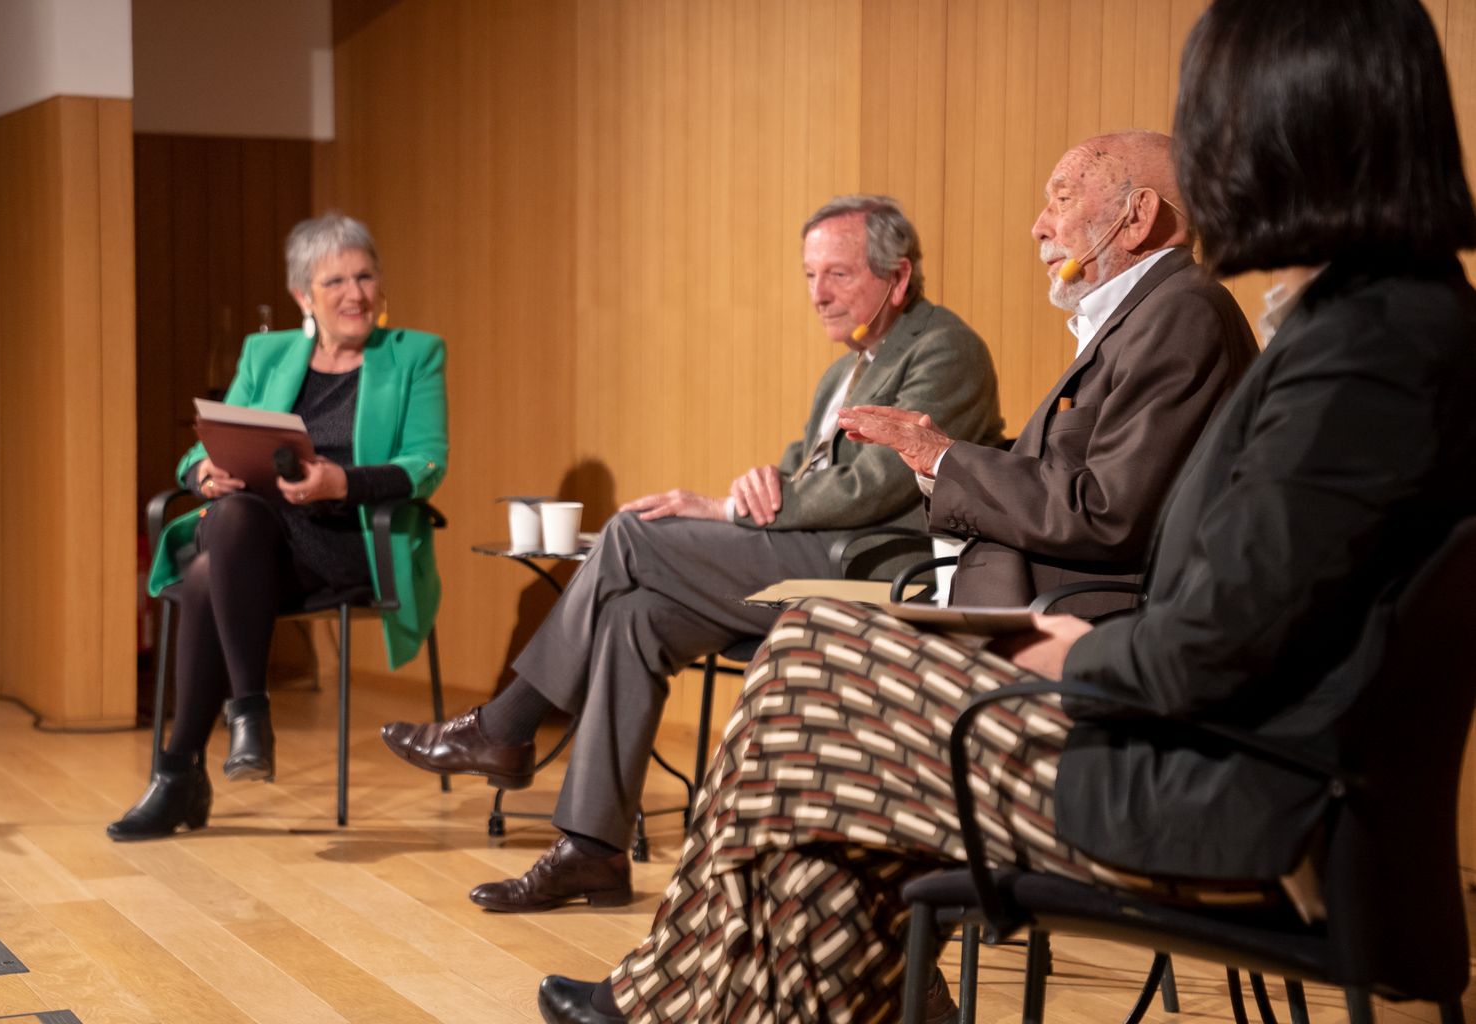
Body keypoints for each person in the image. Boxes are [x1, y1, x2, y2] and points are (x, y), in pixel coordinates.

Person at [536, 0, 1476, 1020]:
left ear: (1302, 124)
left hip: (1230, 794)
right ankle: (710, 1004)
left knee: (803, 687)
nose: (1206, 159)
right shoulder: (1380, 321)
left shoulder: (1365, 353)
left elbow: (1215, 638)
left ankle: (671, 1004)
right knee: (810, 679)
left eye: (1214, 118)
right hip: (1214, 753)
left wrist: (1071, 652)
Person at [382, 195, 1005, 912]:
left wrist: (732, 508)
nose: (817, 294)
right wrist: (759, 484)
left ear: (896, 279)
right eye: (808, 275)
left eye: (836, 274)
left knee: (630, 533)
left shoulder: (945, 348)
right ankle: (592, 851)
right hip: (808, 558)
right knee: (635, 616)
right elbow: (801, 477)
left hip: (878, 576)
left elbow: (879, 483)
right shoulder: (842, 372)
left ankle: (506, 727)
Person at [108, 213, 448, 841]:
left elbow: (426, 463)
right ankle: (240, 720)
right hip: (259, 548)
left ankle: (185, 767)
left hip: (351, 545)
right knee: (231, 519)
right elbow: (205, 443)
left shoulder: (415, 355)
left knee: (211, 567)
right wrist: (202, 473)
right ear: (303, 297)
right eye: (336, 281)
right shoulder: (266, 354)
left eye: (365, 276)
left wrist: (340, 483)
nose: (355, 294)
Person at [841, 130, 1256, 616]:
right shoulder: (1146, 314)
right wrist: (940, 458)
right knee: (804, 643)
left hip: (1074, 628)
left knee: (807, 647)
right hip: (1021, 606)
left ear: (1138, 216)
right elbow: (1068, 476)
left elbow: (1107, 511)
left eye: (1062, 200)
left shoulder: (1181, 312)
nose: (1039, 227)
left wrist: (944, 458)